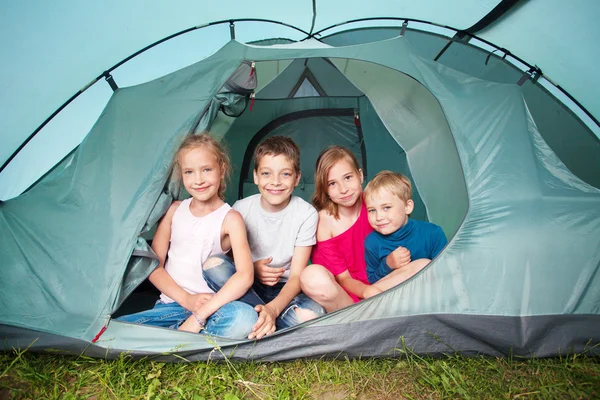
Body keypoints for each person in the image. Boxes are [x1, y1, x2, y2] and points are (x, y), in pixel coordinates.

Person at [117, 134, 257, 339]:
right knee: (118, 330)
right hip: (171, 306)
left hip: (212, 309)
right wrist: (186, 300)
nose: (198, 179)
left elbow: (245, 276)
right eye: (189, 172)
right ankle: (183, 335)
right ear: (181, 175)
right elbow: (153, 266)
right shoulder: (173, 211)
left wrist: (199, 314)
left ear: (222, 170)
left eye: (206, 170)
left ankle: (175, 336)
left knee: (244, 318)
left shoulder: (231, 219)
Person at [300, 146, 419, 312]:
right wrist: (366, 291)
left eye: (348, 177)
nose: (343, 189)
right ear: (325, 189)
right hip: (346, 296)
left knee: (423, 264)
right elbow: (343, 279)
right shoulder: (324, 221)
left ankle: (378, 308)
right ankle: (357, 315)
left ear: (360, 175)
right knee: (310, 276)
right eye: (332, 183)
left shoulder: (374, 201)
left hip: (382, 282)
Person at [232, 136, 325, 340]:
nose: (275, 182)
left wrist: (273, 309)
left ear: (297, 178)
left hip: (285, 291)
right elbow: (231, 261)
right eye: (266, 173)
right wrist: (253, 269)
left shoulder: (306, 213)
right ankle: (264, 319)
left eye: (285, 174)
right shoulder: (240, 209)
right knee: (214, 266)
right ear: (255, 176)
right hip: (247, 285)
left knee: (310, 316)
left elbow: (296, 277)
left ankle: (260, 318)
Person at [363, 171, 447, 296]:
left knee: (425, 265)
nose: (379, 216)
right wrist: (388, 264)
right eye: (372, 210)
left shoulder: (432, 233)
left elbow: (446, 274)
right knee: (370, 292)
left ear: (407, 207)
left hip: (429, 295)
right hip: (393, 298)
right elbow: (374, 281)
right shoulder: (372, 242)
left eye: (386, 207)